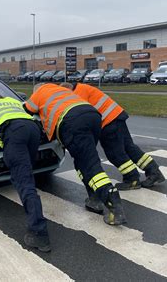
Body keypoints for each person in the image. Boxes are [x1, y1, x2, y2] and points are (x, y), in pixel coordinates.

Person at [24, 83, 127, 226]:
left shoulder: (39, 91)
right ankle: (94, 199)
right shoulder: (59, 89)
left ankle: (113, 204)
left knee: (90, 165)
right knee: (83, 161)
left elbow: (27, 110)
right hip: (92, 115)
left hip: (71, 122)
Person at [0, 95, 51, 252]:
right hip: (33, 130)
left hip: (14, 133)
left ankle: (39, 233)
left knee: (24, 182)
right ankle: (37, 224)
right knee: (27, 173)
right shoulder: (14, 102)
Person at [60, 82, 165, 193]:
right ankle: (154, 172)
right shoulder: (83, 87)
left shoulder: (77, 95)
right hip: (116, 115)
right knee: (129, 147)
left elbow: (82, 118)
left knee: (115, 153)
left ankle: (132, 179)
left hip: (108, 122)